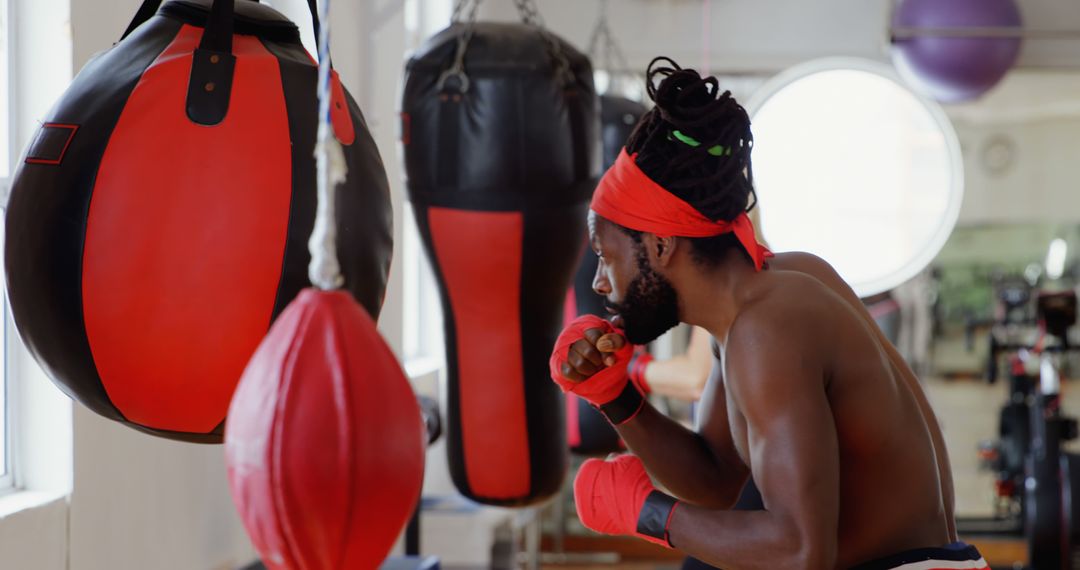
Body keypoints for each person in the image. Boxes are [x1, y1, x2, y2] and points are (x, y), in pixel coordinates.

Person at [548, 58, 977, 570]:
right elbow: (718, 484)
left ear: (660, 245)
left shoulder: (767, 327)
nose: (599, 282)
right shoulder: (765, 298)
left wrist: (648, 514)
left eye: (605, 254)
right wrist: (615, 396)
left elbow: (799, 553)